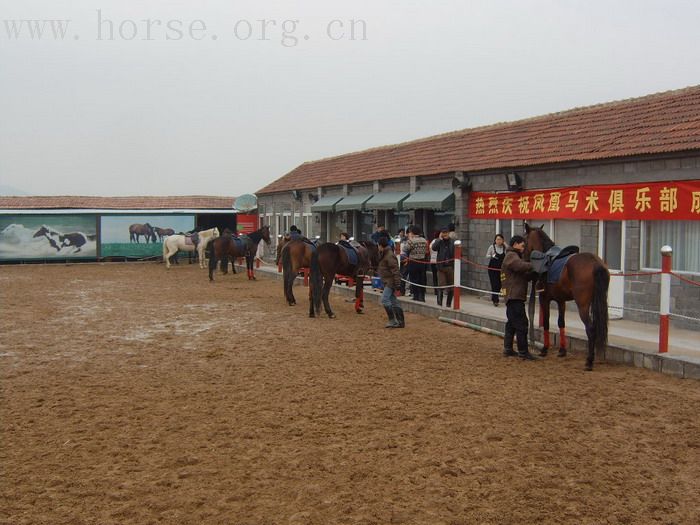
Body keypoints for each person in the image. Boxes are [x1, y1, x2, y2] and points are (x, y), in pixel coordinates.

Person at [502, 235, 538, 360]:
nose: (523, 248)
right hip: (514, 296)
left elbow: (521, 273)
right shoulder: (512, 256)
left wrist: (532, 274)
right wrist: (534, 265)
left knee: (511, 323)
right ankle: (523, 351)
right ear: (516, 244)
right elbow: (519, 266)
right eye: (522, 245)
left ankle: (508, 349)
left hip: (512, 296)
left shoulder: (513, 256)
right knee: (522, 323)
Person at [377, 236, 405, 328]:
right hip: (388, 281)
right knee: (393, 301)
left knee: (385, 300)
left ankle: (392, 320)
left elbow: (395, 270)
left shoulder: (388, 255)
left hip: (390, 281)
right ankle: (400, 321)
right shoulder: (385, 254)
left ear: (381, 245)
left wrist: (397, 283)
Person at [431, 228, 455, 307]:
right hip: (441, 267)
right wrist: (439, 239)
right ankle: (439, 303)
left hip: (450, 267)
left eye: (446, 233)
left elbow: (457, 253)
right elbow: (434, 248)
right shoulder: (439, 242)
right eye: (443, 233)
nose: (445, 235)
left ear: (448, 233)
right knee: (441, 285)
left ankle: (448, 304)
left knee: (451, 286)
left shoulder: (453, 242)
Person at [404, 225, 428, 302]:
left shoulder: (411, 241)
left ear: (412, 233)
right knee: (421, 279)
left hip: (413, 262)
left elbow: (405, 249)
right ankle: (422, 296)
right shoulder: (424, 240)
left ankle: (416, 296)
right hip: (422, 261)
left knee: (414, 279)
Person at [486, 234, 507, 306]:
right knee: (494, 284)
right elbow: (487, 256)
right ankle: (495, 300)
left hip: (501, 269)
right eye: (497, 239)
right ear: (495, 240)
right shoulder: (492, 247)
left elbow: (509, 252)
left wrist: (505, 244)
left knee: (500, 284)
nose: (498, 241)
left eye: (500, 239)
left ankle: (495, 296)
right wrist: (492, 256)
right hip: (492, 269)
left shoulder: (504, 248)